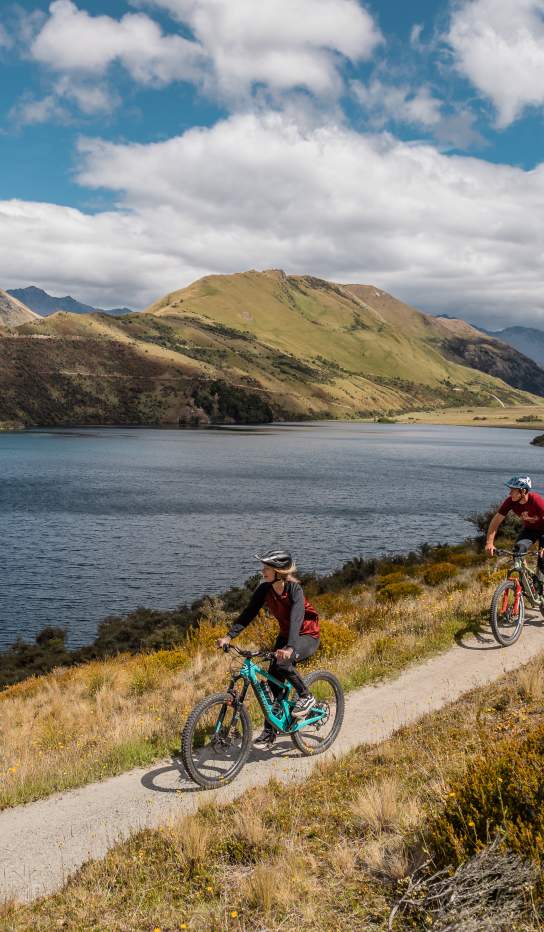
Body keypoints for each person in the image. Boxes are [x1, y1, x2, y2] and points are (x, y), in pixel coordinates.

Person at [217, 548, 320, 750]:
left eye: (266, 567)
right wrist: (229, 636)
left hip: (306, 635)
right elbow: (248, 613)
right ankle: (271, 730)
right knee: (273, 680)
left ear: (278, 570)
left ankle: (306, 696)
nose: (262, 570)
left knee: (282, 663)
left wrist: (290, 647)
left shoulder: (294, 590)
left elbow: (297, 618)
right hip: (286, 636)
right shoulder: (265, 589)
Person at [485, 476, 544, 590]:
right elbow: (496, 521)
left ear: (523, 491)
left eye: (513, 490)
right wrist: (489, 543)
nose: (510, 492)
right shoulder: (510, 501)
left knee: (543, 560)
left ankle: (541, 585)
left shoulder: (537, 501)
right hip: (530, 530)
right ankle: (529, 582)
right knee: (518, 550)